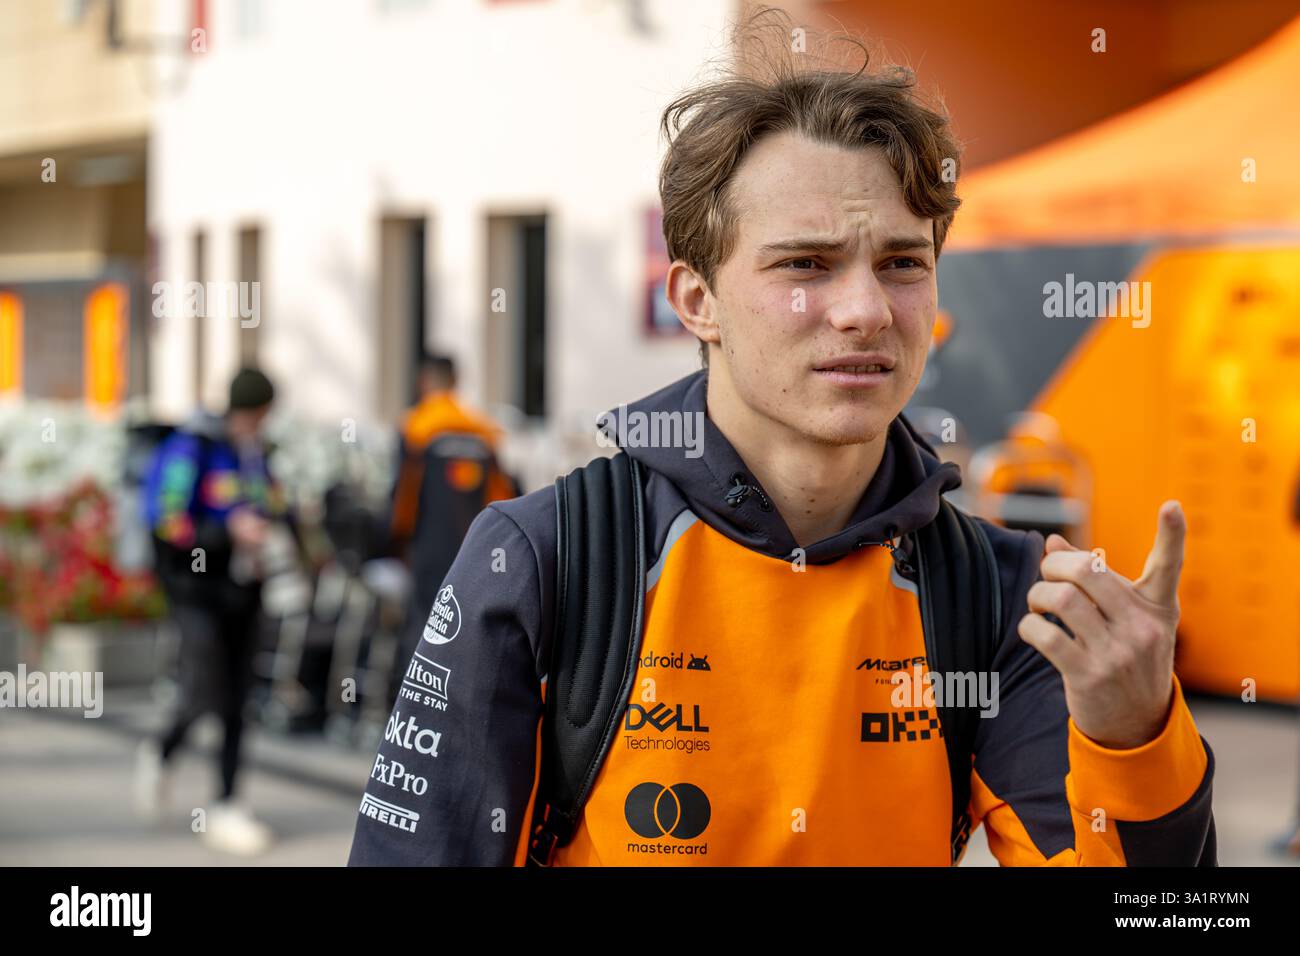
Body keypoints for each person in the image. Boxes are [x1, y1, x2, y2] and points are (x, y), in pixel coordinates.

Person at [349, 12, 1215, 866]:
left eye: (903, 263)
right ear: (698, 301)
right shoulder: (549, 559)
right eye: (805, 263)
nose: (866, 310)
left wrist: (1136, 739)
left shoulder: (994, 597)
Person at [134, 367, 286, 856]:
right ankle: (163, 749)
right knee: (203, 687)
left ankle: (226, 803)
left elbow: (272, 505)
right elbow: (167, 520)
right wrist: (224, 534)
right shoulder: (193, 447)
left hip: (245, 591)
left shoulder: (257, 454)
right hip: (197, 593)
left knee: (238, 700)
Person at [385, 352, 517, 689]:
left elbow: (403, 498)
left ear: (424, 382)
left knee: (423, 627)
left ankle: (414, 705)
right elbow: (502, 496)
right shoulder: (482, 431)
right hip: (474, 548)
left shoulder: (416, 428)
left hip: (428, 548)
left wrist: (396, 540)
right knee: (466, 627)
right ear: (456, 381)